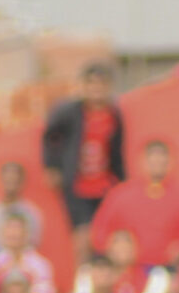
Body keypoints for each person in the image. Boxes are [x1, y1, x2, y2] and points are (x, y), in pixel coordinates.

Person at [88, 139, 179, 270]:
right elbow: (99, 232)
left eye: (162, 158)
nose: (157, 163)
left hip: (171, 271)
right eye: (152, 158)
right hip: (129, 273)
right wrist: (114, 249)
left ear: (171, 161)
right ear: (142, 161)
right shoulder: (120, 195)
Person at [40, 61, 126, 233]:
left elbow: (117, 151)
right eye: (92, 83)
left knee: (106, 230)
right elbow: (50, 137)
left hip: (104, 184)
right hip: (77, 184)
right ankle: (84, 262)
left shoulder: (114, 115)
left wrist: (122, 181)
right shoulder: (69, 112)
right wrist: (52, 166)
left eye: (101, 83)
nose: (96, 88)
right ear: (84, 86)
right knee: (83, 232)